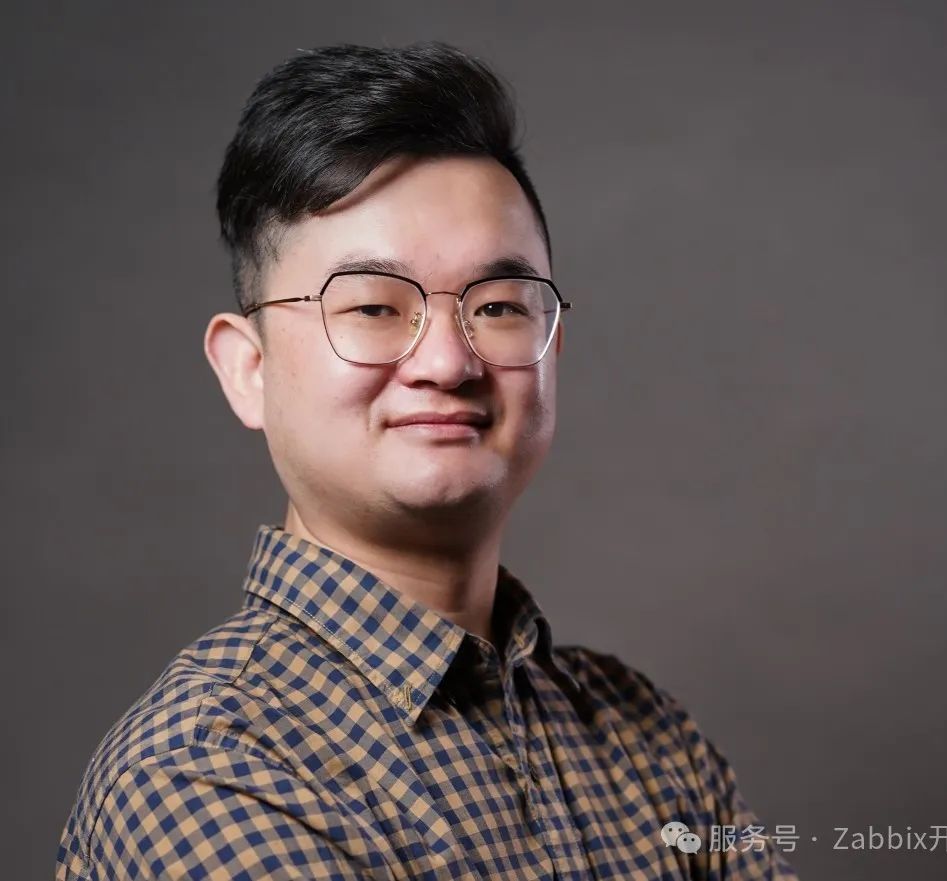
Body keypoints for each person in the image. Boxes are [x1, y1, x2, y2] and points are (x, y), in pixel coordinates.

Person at [56, 42, 799, 880]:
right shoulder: (206, 772)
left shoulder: (647, 739)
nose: (448, 361)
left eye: (499, 306)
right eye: (374, 306)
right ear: (248, 369)